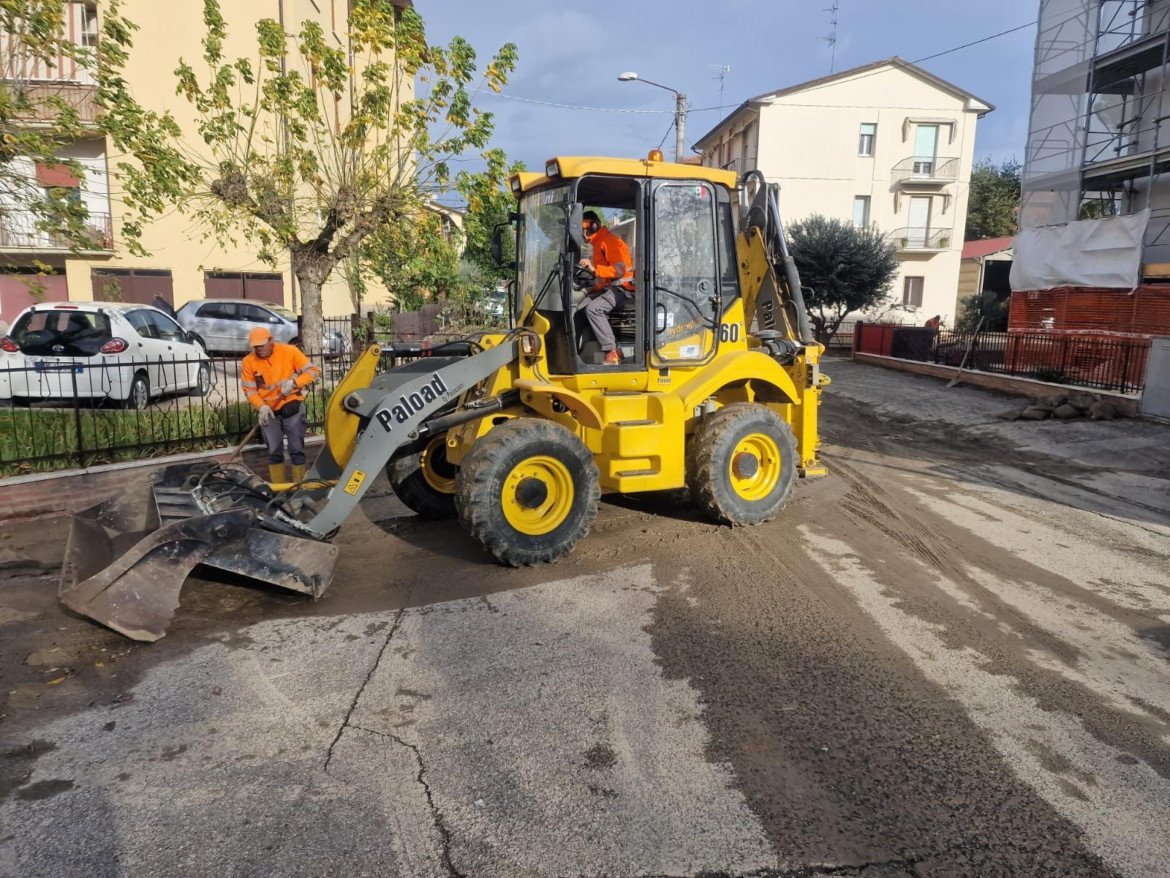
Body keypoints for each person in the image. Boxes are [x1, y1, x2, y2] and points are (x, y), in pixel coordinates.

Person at [241, 326, 320, 485]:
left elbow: (313, 372)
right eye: (255, 346)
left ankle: (299, 487)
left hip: (292, 406)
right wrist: (260, 406)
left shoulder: (289, 352)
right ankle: (280, 489)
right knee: (274, 453)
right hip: (269, 410)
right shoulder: (249, 362)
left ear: (271, 341)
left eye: (262, 345)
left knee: (296, 450)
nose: (259, 349)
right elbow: (249, 390)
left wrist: (295, 383)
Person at [576, 210, 634, 365]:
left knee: (594, 309)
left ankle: (612, 353)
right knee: (579, 307)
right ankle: (580, 350)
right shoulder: (598, 243)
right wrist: (590, 289)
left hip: (623, 289)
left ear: (592, 226)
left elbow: (619, 270)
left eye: (582, 229)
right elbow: (603, 277)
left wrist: (594, 269)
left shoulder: (608, 240)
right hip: (610, 288)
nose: (581, 234)